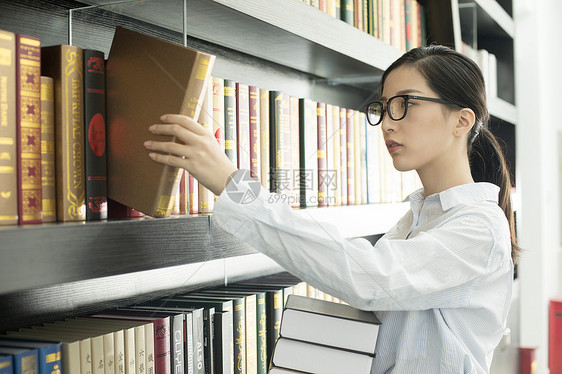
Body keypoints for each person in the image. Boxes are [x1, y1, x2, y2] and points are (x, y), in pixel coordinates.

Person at [143, 45, 519, 373]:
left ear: (462, 121)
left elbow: (371, 280)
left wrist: (234, 184)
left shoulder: (480, 228)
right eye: (384, 107)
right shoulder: (415, 220)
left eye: (405, 104)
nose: (387, 123)